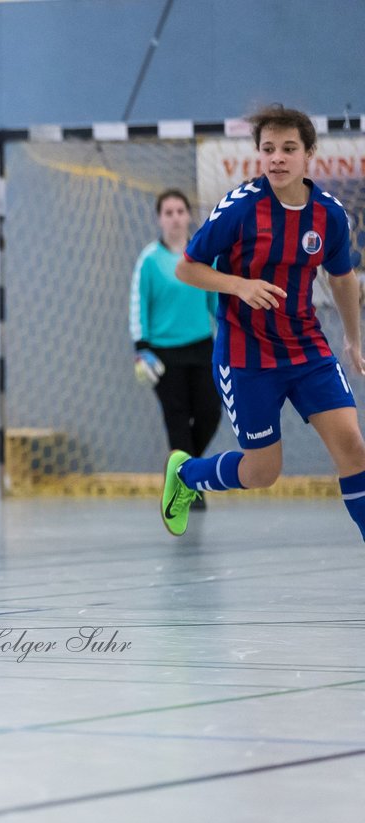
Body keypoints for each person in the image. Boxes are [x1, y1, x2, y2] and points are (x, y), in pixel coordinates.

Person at [160, 104, 365, 538]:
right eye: (268, 148)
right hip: (246, 355)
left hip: (307, 348)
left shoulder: (328, 215)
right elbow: (187, 268)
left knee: (353, 448)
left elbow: (343, 278)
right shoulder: (239, 209)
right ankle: (186, 475)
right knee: (262, 471)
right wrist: (239, 286)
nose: (277, 157)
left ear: (309, 154)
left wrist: (352, 338)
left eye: (288, 148)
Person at [130, 189, 221, 511]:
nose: (175, 217)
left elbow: (215, 300)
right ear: (159, 218)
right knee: (178, 420)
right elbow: (138, 305)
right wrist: (141, 347)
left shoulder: (202, 256)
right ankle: (190, 488)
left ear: (188, 215)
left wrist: (228, 333)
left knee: (211, 413)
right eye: (168, 212)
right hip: (163, 354)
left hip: (202, 348)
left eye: (180, 211)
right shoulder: (149, 260)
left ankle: (183, 475)